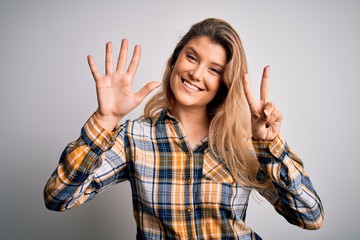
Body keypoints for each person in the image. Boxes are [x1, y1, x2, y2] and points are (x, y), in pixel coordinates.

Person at [43, 18, 324, 239]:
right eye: (191, 57)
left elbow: (311, 217)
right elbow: (58, 196)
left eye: (214, 70)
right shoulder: (134, 138)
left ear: (225, 83)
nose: (196, 73)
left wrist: (271, 145)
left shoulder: (243, 144)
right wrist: (105, 119)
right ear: (175, 60)